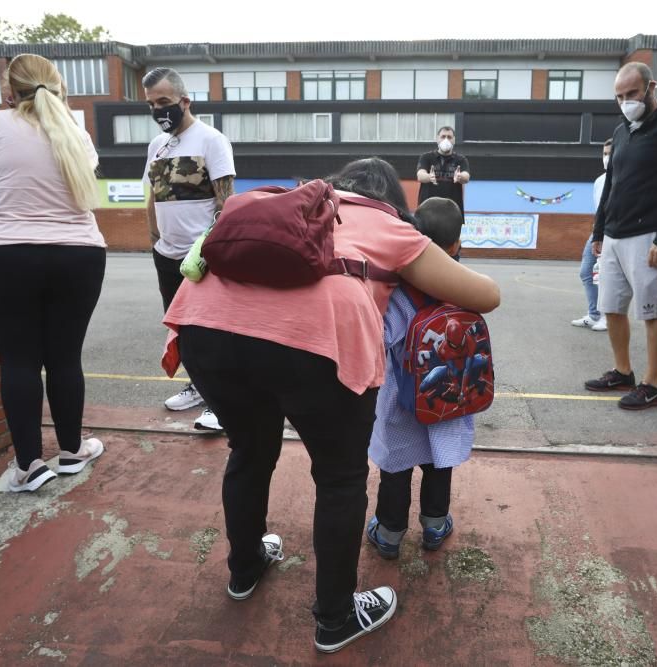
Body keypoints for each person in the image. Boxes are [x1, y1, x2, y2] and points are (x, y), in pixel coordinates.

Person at [160, 158, 500, 653]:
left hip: (204, 329)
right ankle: (336, 618)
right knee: (339, 479)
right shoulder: (389, 226)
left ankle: (245, 568)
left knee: (249, 452)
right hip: (315, 345)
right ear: (394, 203)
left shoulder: (281, 204)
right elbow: (485, 295)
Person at [0, 54, 106, 492]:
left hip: (3, 252)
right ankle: (73, 452)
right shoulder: (76, 132)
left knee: (18, 359)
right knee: (64, 356)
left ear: (7, 90)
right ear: (58, 87)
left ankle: (28, 467)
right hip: (79, 253)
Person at [365, 197, 477, 560]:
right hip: (450, 399)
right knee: (437, 464)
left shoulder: (401, 292)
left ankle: (389, 534)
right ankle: (434, 525)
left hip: (404, 398)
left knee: (395, 468)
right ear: (457, 244)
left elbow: (380, 340)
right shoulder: (466, 287)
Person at [586, 62, 657, 410]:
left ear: (651, 87)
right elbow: (611, 188)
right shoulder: (622, 131)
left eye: (632, 94)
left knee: (651, 311)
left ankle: (653, 384)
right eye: (619, 96)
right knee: (612, 308)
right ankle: (623, 372)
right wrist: (598, 231)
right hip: (614, 236)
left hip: (647, 235)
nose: (626, 102)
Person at [143, 67, 236, 431]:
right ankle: (198, 387)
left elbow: (225, 202)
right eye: (151, 104)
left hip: (201, 256)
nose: (158, 110)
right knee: (180, 330)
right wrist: (154, 240)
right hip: (165, 254)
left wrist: (211, 249)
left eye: (164, 102)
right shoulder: (156, 146)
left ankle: (221, 401)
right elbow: (152, 197)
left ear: (185, 101)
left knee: (211, 331)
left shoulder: (212, 140)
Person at [572, 139, 613, 332]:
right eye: (604, 153)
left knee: (607, 277)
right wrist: (597, 234)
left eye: (610, 153)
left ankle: (608, 317)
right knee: (586, 271)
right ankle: (594, 313)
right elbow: (598, 210)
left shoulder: (624, 178)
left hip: (615, 233)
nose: (607, 158)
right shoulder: (599, 181)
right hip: (599, 232)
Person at [416, 126, 470, 213]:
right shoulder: (426, 157)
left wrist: (460, 176)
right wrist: (429, 177)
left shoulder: (461, 159)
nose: (446, 140)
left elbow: (466, 177)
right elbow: (420, 175)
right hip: (428, 209)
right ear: (438, 139)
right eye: (443, 136)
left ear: (454, 140)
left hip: (452, 210)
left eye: (449, 137)